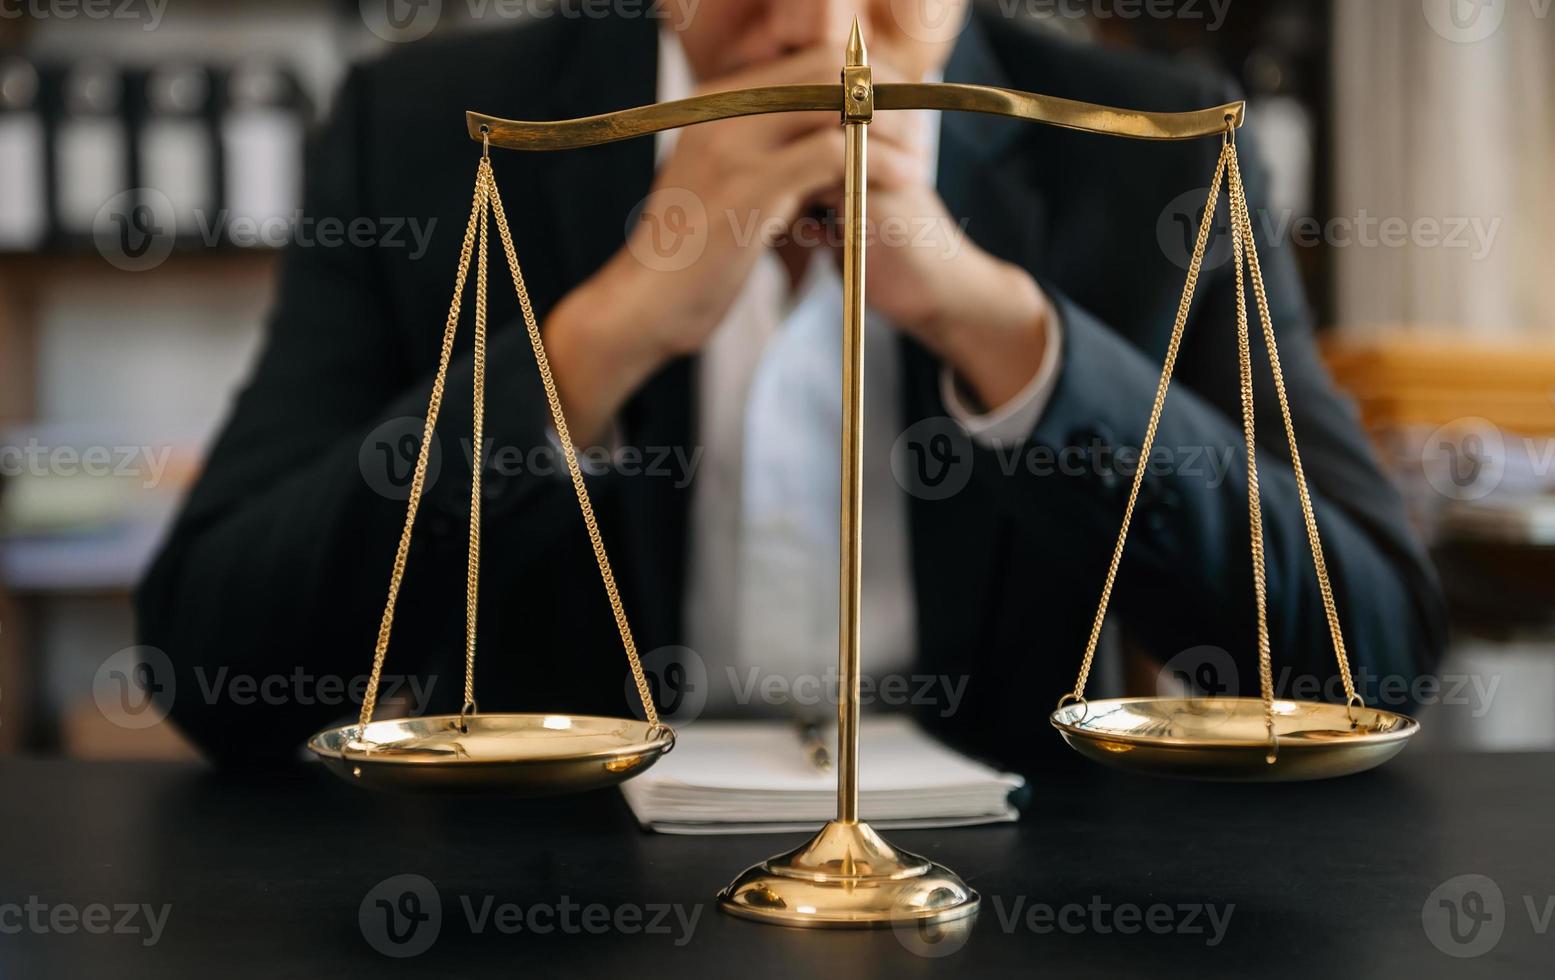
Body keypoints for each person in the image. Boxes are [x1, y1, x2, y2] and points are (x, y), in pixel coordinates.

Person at [136, 0, 1446, 768]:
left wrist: (1008, 334)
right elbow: (215, 668)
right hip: (550, 898)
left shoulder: (1149, 149)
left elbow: (1370, 660)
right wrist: (597, 342)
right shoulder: (429, 130)